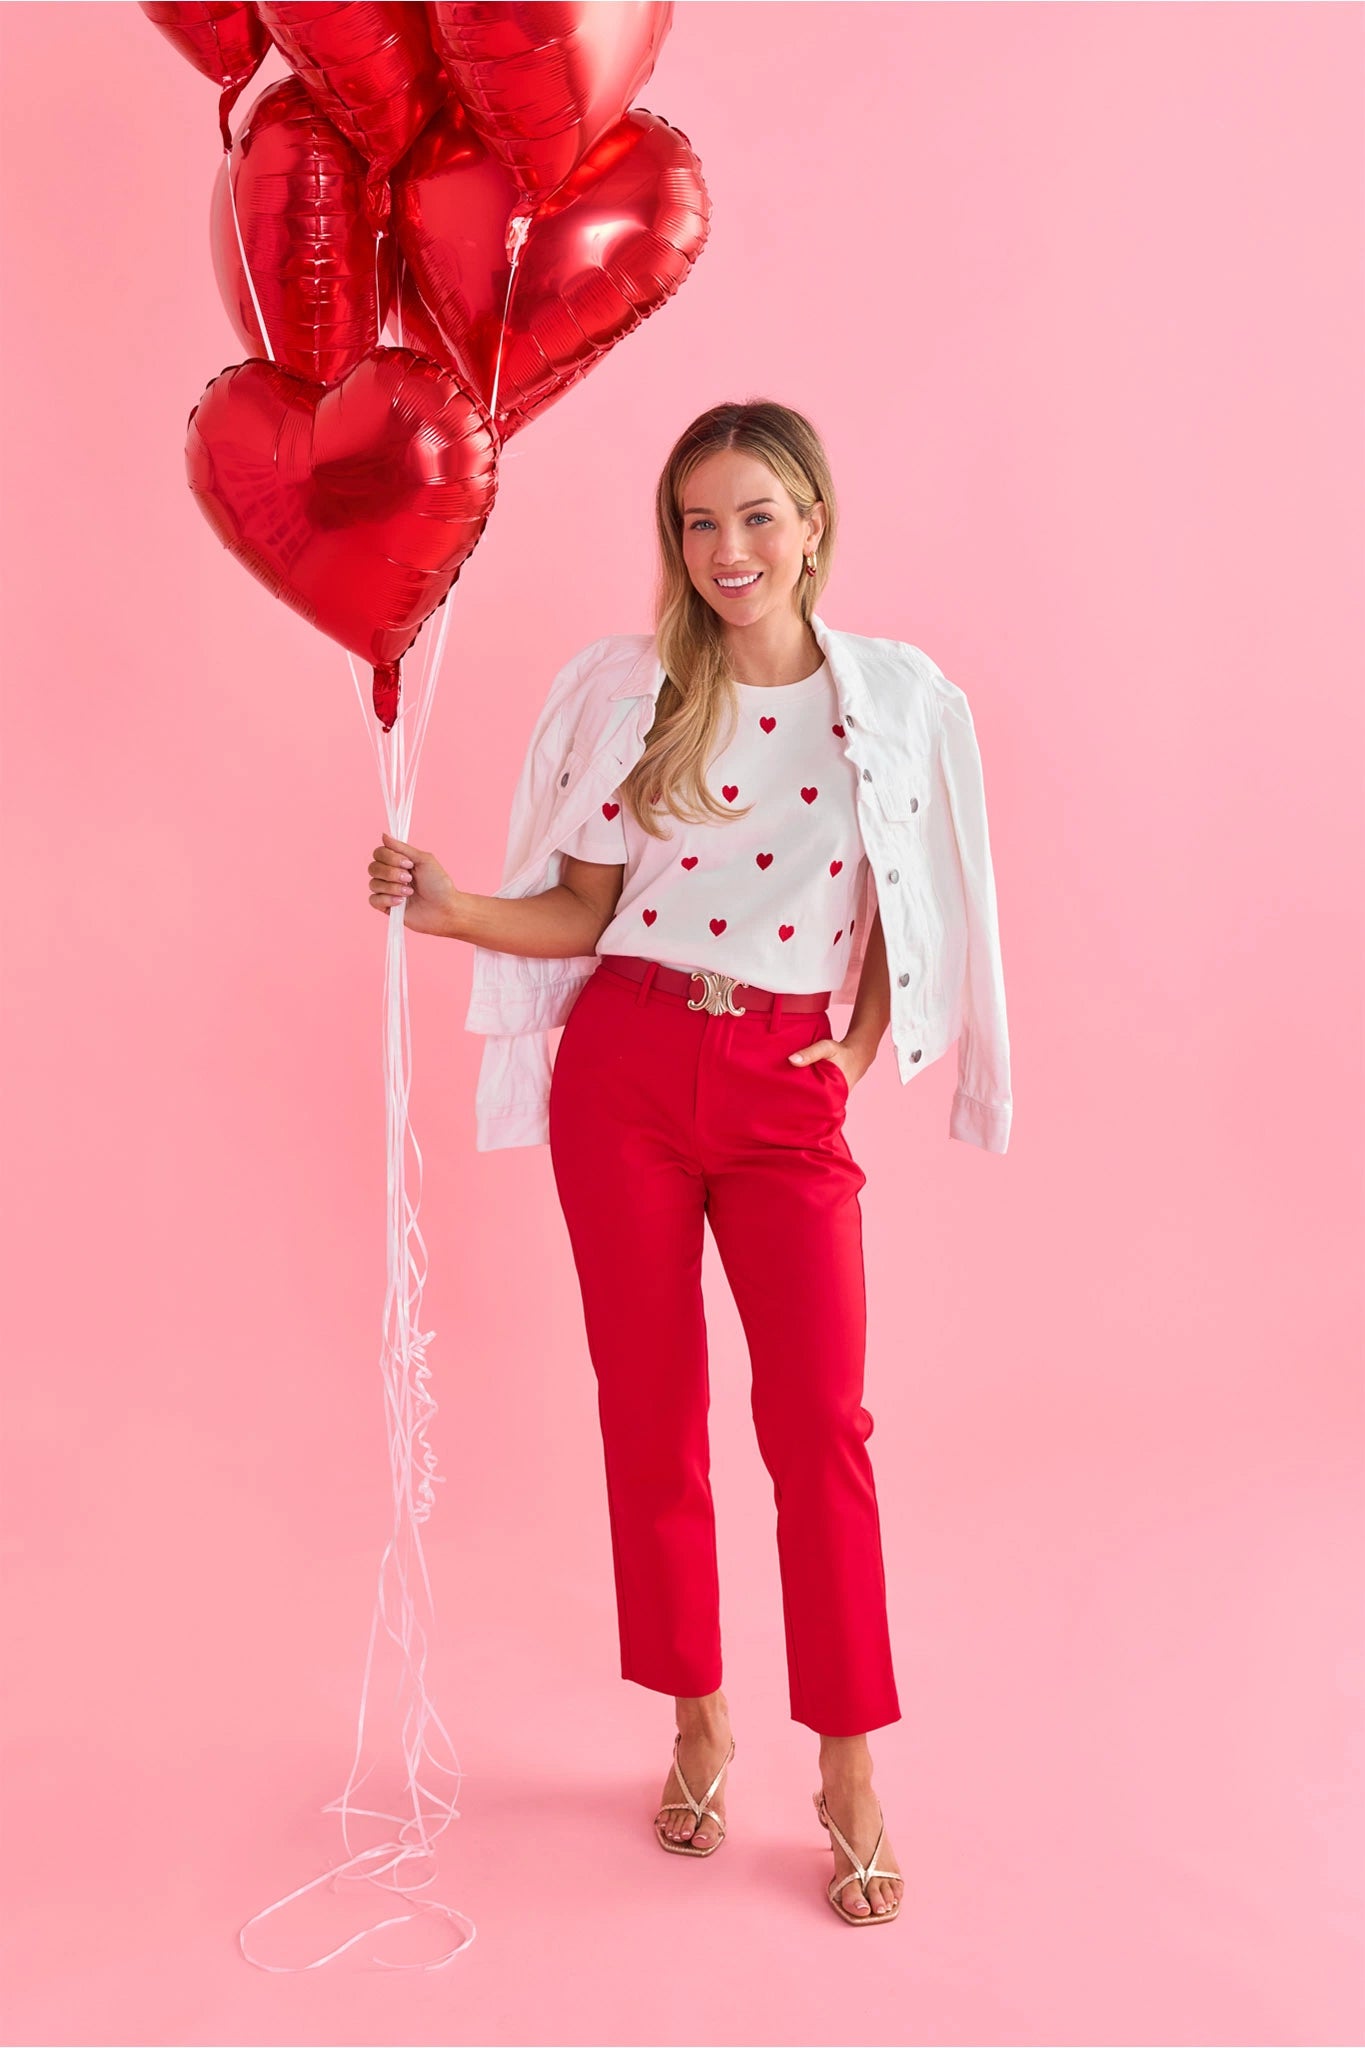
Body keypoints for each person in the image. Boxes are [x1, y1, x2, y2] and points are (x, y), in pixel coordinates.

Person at [366, 399, 1013, 1926]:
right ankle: (693, 1721)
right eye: (696, 523)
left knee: (817, 1428)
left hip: (783, 1086)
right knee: (648, 1416)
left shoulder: (895, 702)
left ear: (812, 523)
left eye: (755, 516)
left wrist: (853, 1052)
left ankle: (847, 1768)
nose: (727, 550)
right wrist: (453, 906)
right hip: (631, 1068)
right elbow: (581, 911)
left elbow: (913, 897)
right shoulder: (635, 691)